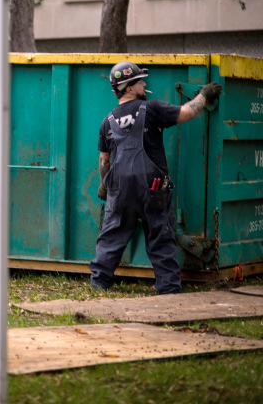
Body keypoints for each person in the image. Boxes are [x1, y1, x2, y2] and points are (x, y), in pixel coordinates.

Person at [90, 61, 222, 294]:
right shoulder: (150, 109)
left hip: (120, 192)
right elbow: (187, 113)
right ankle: (169, 290)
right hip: (153, 190)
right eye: (140, 81)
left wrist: (104, 186)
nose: (144, 84)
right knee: (160, 238)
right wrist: (203, 95)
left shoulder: (106, 122)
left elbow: (104, 161)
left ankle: (99, 284)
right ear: (129, 88)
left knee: (111, 239)